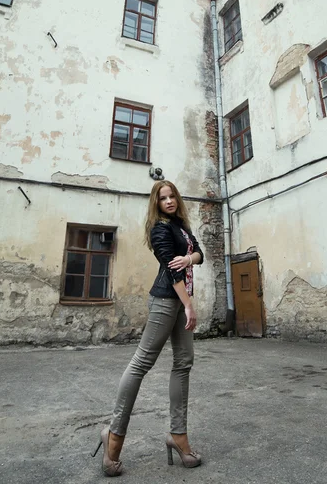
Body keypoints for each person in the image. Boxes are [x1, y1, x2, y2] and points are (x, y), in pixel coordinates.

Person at [92, 180, 204, 477]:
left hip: (181, 301)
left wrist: (189, 257)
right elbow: (171, 268)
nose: (168, 201)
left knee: (184, 362)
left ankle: (178, 436)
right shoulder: (160, 229)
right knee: (142, 362)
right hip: (168, 300)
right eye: (162, 198)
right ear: (155, 203)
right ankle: (113, 438)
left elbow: (199, 254)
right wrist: (189, 305)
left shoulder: (181, 226)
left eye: (171, 196)